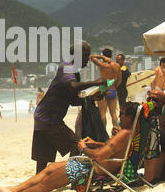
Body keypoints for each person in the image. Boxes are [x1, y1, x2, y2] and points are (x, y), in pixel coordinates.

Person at [0, 102, 139, 192]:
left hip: (95, 168)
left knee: (48, 182)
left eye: (123, 114)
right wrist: (96, 142)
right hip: (94, 166)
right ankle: (14, 189)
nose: (119, 116)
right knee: (51, 167)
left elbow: (99, 156)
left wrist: (84, 148)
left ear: (131, 118)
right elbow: (110, 150)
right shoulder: (127, 133)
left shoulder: (124, 134)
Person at [32, 40, 108, 174]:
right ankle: (70, 175)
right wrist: (95, 82)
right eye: (86, 55)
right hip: (50, 119)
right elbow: (72, 86)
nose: (88, 60)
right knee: (76, 145)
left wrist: (91, 98)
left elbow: (73, 100)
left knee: (44, 157)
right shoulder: (67, 67)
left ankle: (38, 179)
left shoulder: (74, 73)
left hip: (44, 116)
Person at [90, 49, 122, 133]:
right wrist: (114, 87)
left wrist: (101, 57)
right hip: (112, 90)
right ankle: (115, 131)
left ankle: (103, 132)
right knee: (113, 113)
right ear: (111, 55)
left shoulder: (102, 65)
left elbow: (91, 57)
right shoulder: (117, 66)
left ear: (104, 55)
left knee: (102, 114)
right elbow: (119, 81)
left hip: (103, 90)